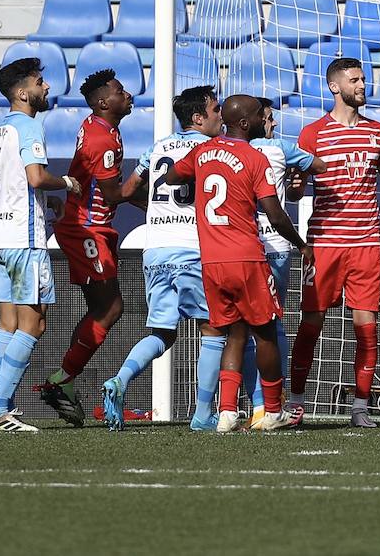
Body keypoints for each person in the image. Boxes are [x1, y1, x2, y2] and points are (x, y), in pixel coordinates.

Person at [165, 95, 310, 433]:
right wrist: (302, 244)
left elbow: (172, 176)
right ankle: (272, 411)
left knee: (234, 333)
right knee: (267, 334)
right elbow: (274, 213)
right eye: (262, 115)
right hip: (246, 257)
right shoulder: (254, 157)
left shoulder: (202, 152)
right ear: (246, 123)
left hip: (212, 261)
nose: (266, 119)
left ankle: (227, 413)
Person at [288, 57, 380, 428]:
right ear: (334, 86)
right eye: (355, 80)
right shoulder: (312, 134)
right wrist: (295, 188)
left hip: (365, 243)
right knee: (311, 325)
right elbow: (296, 192)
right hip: (324, 245)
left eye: (364, 79)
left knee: (367, 327)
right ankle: (296, 402)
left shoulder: (377, 132)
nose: (362, 85)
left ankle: (360, 406)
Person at [101, 86, 223, 431]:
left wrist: (155, 207)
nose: (220, 118)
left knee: (162, 333)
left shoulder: (159, 147)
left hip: (155, 248)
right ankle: (202, 414)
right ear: (198, 118)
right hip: (193, 247)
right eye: (215, 111)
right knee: (213, 330)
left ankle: (121, 379)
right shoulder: (211, 149)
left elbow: (126, 191)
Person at [0, 58, 81, 431]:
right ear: (23, 93)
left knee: (8, 323)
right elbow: (36, 177)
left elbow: (16, 183)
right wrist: (67, 185)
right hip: (23, 238)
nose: (47, 87)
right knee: (34, 323)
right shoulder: (30, 127)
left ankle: (1, 408)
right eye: (40, 82)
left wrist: (45, 200)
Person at [42, 68, 135, 426]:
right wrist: (148, 184)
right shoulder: (103, 139)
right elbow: (113, 193)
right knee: (110, 308)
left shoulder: (101, 128)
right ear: (102, 103)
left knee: (106, 308)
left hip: (91, 226)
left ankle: (61, 380)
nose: (126, 94)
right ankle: (59, 382)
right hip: (86, 229)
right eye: (119, 90)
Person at [242, 97, 325, 429]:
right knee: (273, 323)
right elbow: (320, 166)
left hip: (238, 243)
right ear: (258, 120)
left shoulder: (224, 151)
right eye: (269, 118)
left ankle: (241, 407)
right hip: (274, 243)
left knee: (237, 331)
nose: (274, 123)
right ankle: (272, 405)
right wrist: (296, 168)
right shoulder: (278, 148)